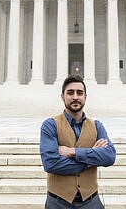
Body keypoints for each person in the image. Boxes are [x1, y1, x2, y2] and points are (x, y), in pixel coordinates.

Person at [40, 75, 116, 208]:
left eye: (79, 93)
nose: (75, 97)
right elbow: (50, 164)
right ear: (62, 96)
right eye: (70, 93)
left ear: (85, 97)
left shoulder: (97, 126)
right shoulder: (50, 125)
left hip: (91, 202)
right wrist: (90, 162)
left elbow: (109, 157)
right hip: (57, 203)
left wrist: (72, 152)